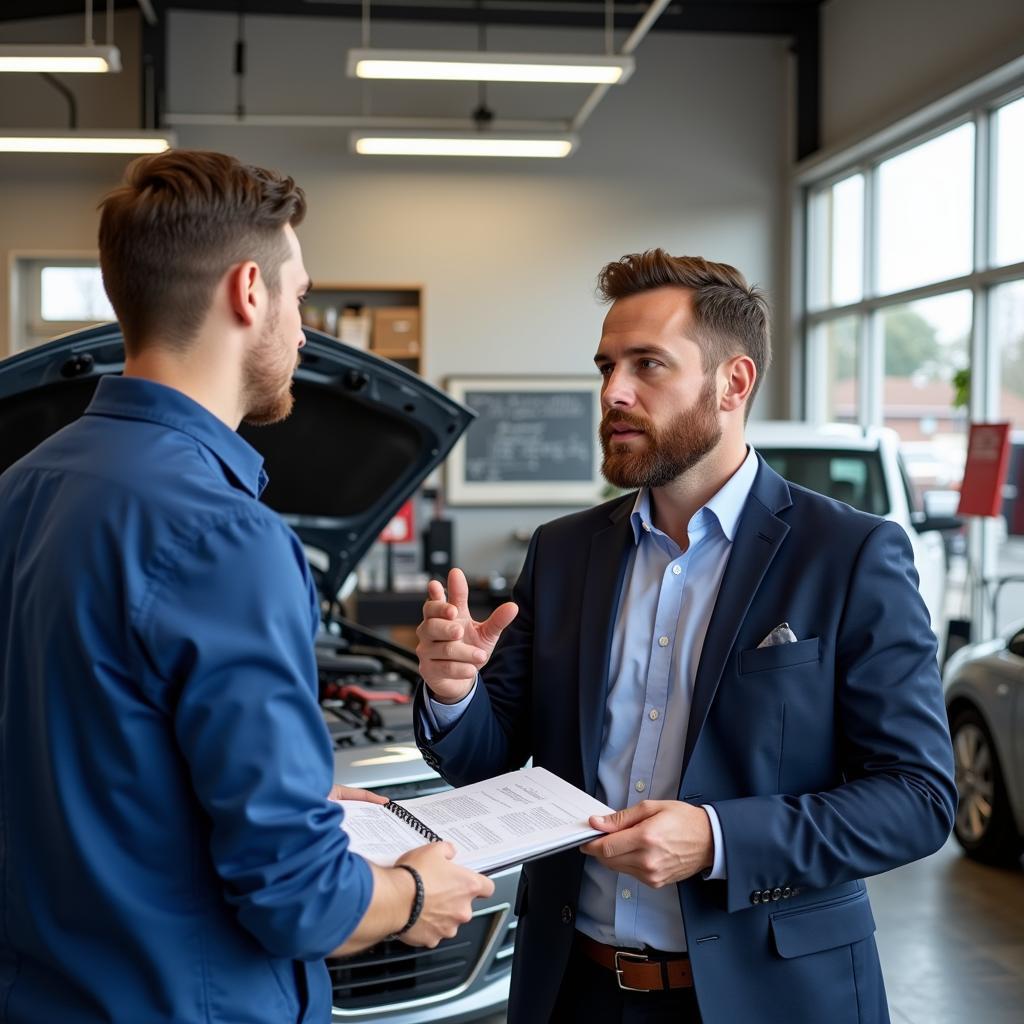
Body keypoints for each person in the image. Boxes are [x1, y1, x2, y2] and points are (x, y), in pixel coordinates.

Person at [0, 150, 492, 1024]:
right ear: (249, 291)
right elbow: (297, 900)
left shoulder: (21, 487)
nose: (305, 333)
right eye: (301, 298)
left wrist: (296, 798)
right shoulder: (228, 535)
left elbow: (75, 759)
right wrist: (415, 894)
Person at [413, 250, 956, 1024]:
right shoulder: (564, 550)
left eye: (647, 366)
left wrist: (717, 837)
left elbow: (917, 797)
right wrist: (454, 692)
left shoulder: (849, 553)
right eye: (605, 366)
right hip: (572, 989)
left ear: (734, 382)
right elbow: (491, 756)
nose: (613, 392)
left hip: (771, 997)